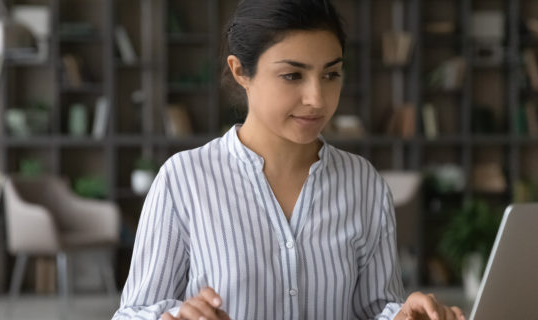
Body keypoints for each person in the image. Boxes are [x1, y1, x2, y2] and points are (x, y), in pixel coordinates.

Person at [113, 0, 464, 319]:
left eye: (330, 74)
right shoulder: (183, 180)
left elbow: (373, 308)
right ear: (240, 72)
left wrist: (404, 316)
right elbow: (132, 313)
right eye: (292, 75)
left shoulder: (363, 182)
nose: (316, 98)